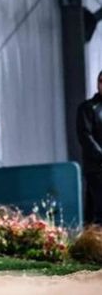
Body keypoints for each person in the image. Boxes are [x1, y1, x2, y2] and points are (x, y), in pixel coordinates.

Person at [77, 70, 102, 225]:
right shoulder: (88, 108)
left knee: (94, 211)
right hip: (97, 168)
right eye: (101, 81)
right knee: (99, 211)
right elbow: (85, 136)